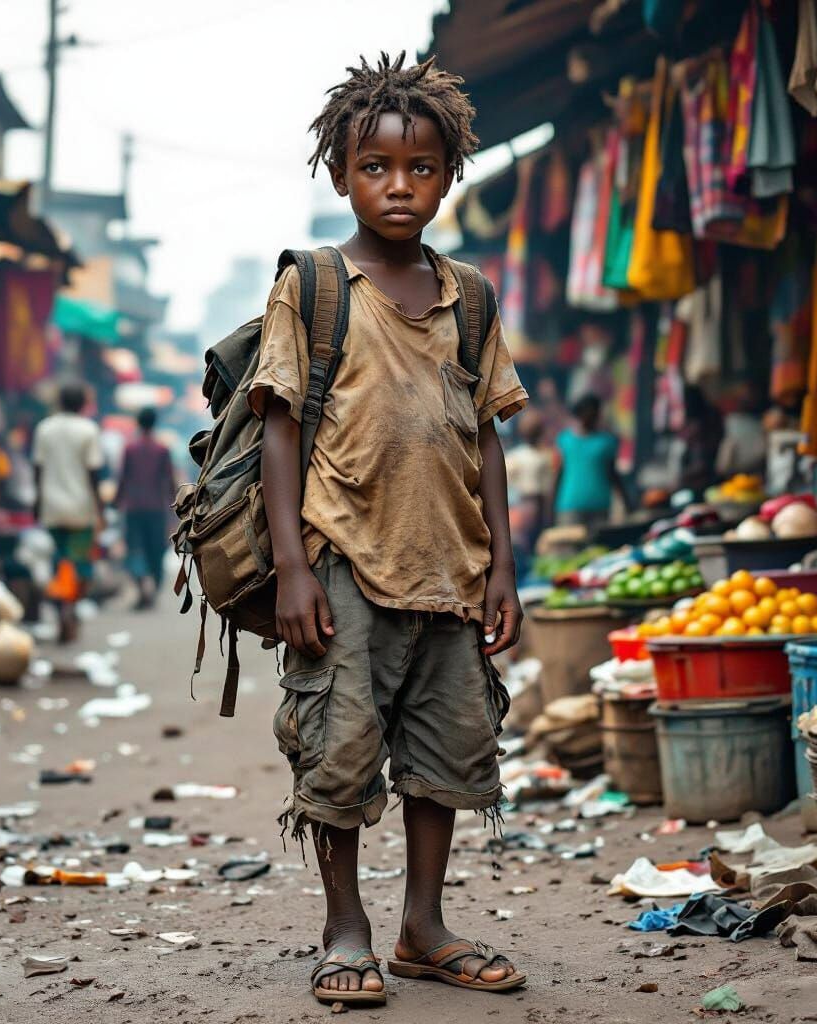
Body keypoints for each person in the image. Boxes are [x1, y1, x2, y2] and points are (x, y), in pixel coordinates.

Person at [249, 53, 529, 1007]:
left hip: (450, 569)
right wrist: (292, 568)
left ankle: (423, 926)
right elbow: (281, 428)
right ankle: (345, 927)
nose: (399, 185)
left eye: (421, 168)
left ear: (450, 177)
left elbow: (485, 437)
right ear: (341, 175)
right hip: (342, 564)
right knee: (338, 749)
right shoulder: (316, 286)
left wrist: (503, 566)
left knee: (445, 755)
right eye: (376, 166)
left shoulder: (470, 296)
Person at [32, 382, 105, 643]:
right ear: (83, 403)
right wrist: (100, 508)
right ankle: (69, 607)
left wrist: (37, 501)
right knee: (79, 563)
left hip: (51, 507)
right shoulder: (88, 430)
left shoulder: (44, 428)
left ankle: (61, 607)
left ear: (60, 401)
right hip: (81, 508)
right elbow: (93, 473)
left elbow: (38, 469)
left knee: (59, 561)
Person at [116, 407, 176, 610]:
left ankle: (142, 585)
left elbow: (123, 478)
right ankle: (153, 587)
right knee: (156, 550)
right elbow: (169, 481)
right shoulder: (162, 449)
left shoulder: (130, 449)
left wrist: (116, 501)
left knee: (135, 549)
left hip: (133, 508)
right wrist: (176, 507)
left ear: (138, 423)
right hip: (156, 508)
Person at [554, 393, 626, 530]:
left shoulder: (607, 442)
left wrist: (626, 501)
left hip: (599, 506)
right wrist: (550, 510)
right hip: (570, 507)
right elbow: (557, 475)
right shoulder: (565, 440)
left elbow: (613, 474)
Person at [505, 408, 556, 580]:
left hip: (540, 504)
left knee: (538, 543)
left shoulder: (546, 455)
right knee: (524, 544)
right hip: (524, 505)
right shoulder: (518, 457)